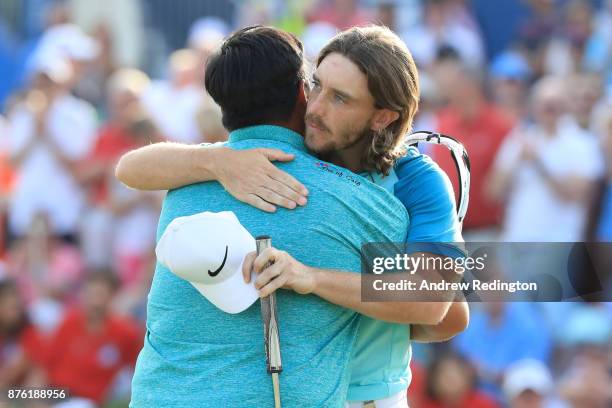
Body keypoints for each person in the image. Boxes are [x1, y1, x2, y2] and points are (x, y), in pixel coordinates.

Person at [119, 26, 468, 407]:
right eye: (317, 85)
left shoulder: (418, 182)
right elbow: (131, 169)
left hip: (366, 396)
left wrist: (314, 279)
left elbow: (442, 308)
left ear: (382, 116)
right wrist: (217, 160)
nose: (315, 107)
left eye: (340, 99)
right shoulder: (303, 142)